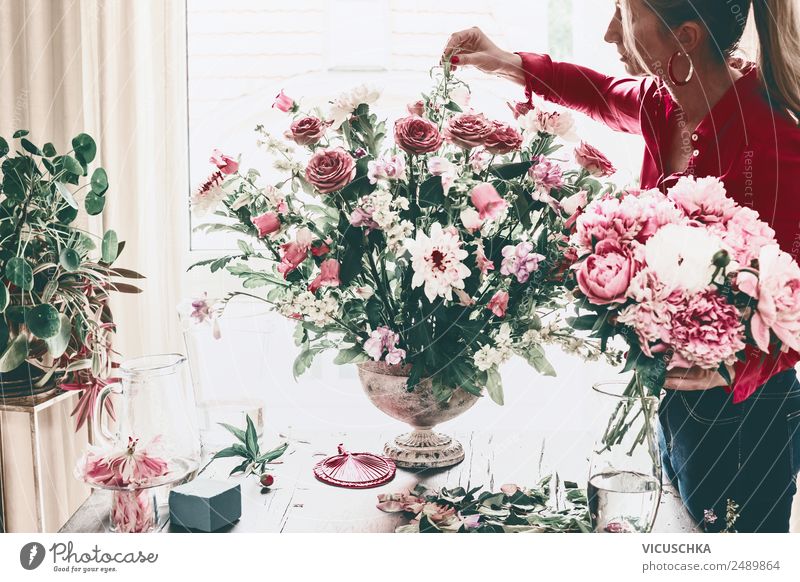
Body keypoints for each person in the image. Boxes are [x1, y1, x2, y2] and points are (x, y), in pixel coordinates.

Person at [442, 0, 800, 532]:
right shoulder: (667, 101)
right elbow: (605, 95)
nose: (611, 33)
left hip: (749, 415)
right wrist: (509, 62)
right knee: (682, 537)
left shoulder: (773, 143)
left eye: (625, 16)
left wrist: (729, 369)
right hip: (678, 398)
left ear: (684, 38)